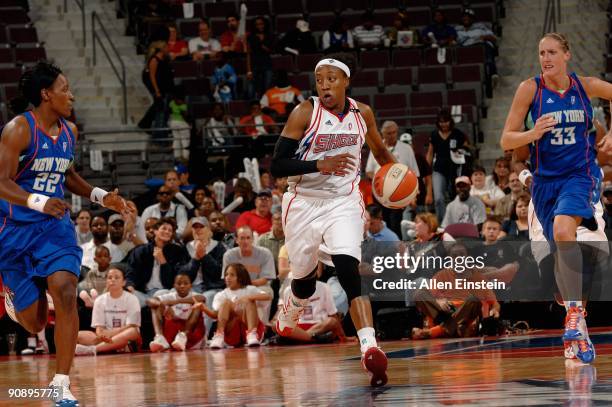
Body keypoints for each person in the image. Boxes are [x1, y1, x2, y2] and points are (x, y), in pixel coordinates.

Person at [0, 62, 133, 406]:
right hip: (14, 231)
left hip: (54, 228)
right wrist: (38, 200)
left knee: (65, 289)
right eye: (64, 88)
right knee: (34, 324)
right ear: (46, 94)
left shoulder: (69, 131)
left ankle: (60, 382)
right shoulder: (18, 130)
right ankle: (17, 299)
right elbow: (2, 182)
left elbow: (68, 175)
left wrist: (104, 197)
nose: (71, 95)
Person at [270, 56, 396, 386]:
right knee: (306, 280)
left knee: (347, 267)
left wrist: (403, 176)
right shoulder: (304, 113)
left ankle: (370, 348)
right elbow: (278, 165)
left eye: (331, 79)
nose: (324, 85)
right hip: (303, 203)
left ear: (346, 82)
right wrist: (318, 164)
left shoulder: (362, 113)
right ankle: (290, 309)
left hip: (344, 201)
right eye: (319, 79)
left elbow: (381, 154)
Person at [500, 32, 612, 364]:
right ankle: (577, 324)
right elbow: (506, 139)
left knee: (566, 233)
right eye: (541, 53)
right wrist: (532, 133)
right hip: (545, 183)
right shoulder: (529, 89)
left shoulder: (584, 86)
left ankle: (576, 316)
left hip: (579, 176)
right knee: (560, 263)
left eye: (551, 52)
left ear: (567, 54)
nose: (546, 58)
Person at [195, 263, 271, 348]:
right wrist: (203, 308)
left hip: (252, 329)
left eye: (232, 275)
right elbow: (215, 315)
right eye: (226, 274)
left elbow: (268, 296)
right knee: (226, 303)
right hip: (232, 332)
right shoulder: (221, 295)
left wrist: (248, 297)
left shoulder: (250, 289)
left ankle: (251, 334)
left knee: (249, 302)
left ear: (240, 277)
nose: (228, 277)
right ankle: (219, 335)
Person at [365, 120, 420, 236]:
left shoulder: (406, 148)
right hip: (380, 192)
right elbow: (369, 171)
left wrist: (413, 195)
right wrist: (382, 180)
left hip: (399, 192)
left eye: (394, 132)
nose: (391, 136)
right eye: (388, 133)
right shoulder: (376, 147)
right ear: (382, 134)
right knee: (381, 222)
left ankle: (396, 249)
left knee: (396, 223)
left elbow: (414, 172)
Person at [75, 266, 141, 355]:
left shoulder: (132, 299)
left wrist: (111, 334)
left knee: (133, 331)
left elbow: (131, 326)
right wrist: (102, 336)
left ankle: (93, 350)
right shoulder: (99, 300)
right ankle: (110, 347)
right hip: (105, 338)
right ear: (106, 281)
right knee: (77, 335)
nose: (112, 280)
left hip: (125, 337)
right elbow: (99, 330)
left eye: (117, 277)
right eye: (109, 277)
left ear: (124, 282)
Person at [125, 218, 190, 307]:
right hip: (143, 293)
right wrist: (130, 286)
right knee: (126, 296)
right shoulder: (141, 251)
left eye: (170, 230)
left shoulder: (177, 252)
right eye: (164, 228)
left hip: (164, 292)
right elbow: (131, 272)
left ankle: (152, 304)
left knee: (162, 294)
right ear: (155, 231)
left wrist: (163, 262)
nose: (167, 232)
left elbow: (174, 279)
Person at [427, 109, 470, 220]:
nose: (444, 124)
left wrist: (462, 150)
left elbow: (467, 148)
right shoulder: (434, 134)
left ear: (450, 121)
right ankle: (441, 223)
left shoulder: (457, 133)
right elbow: (430, 153)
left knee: (454, 196)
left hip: (454, 169)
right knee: (438, 198)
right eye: (441, 122)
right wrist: (427, 170)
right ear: (438, 123)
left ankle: (455, 220)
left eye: (446, 121)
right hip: (439, 169)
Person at [147, 272, 205, 352]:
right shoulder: (170, 295)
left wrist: (176, 302)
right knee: (154, 306)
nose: (182, 286)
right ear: (174, 286)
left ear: (190, 286)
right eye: (179, 283)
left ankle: (183, 336)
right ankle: (159, 337)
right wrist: (162, 305)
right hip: (174, 332)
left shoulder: (195, 295)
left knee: (197, 306)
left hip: (191, 332)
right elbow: (149, 301)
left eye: (185, 283)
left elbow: (202, 298)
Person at [139, 41, 173, 140]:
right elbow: (152, 76)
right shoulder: (154, 60)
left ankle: (145, 123)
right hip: (158, 87)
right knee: (160, 108)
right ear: (161, 49)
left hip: (165, 87)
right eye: (166, 47)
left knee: (160, 107)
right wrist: (156, 90)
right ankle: (148, 126)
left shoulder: (165, 59)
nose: (168, 49)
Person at [246, 16, 275, 99]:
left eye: (261, 24)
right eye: (257, 24)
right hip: (254, 65)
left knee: (267, 88)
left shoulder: (269, 36)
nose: (260, 26)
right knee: (252, 90)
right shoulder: (251, 37)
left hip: (267, 64)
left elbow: (272, 50)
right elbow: (248, 54)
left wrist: (262, 46)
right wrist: (248, 70)